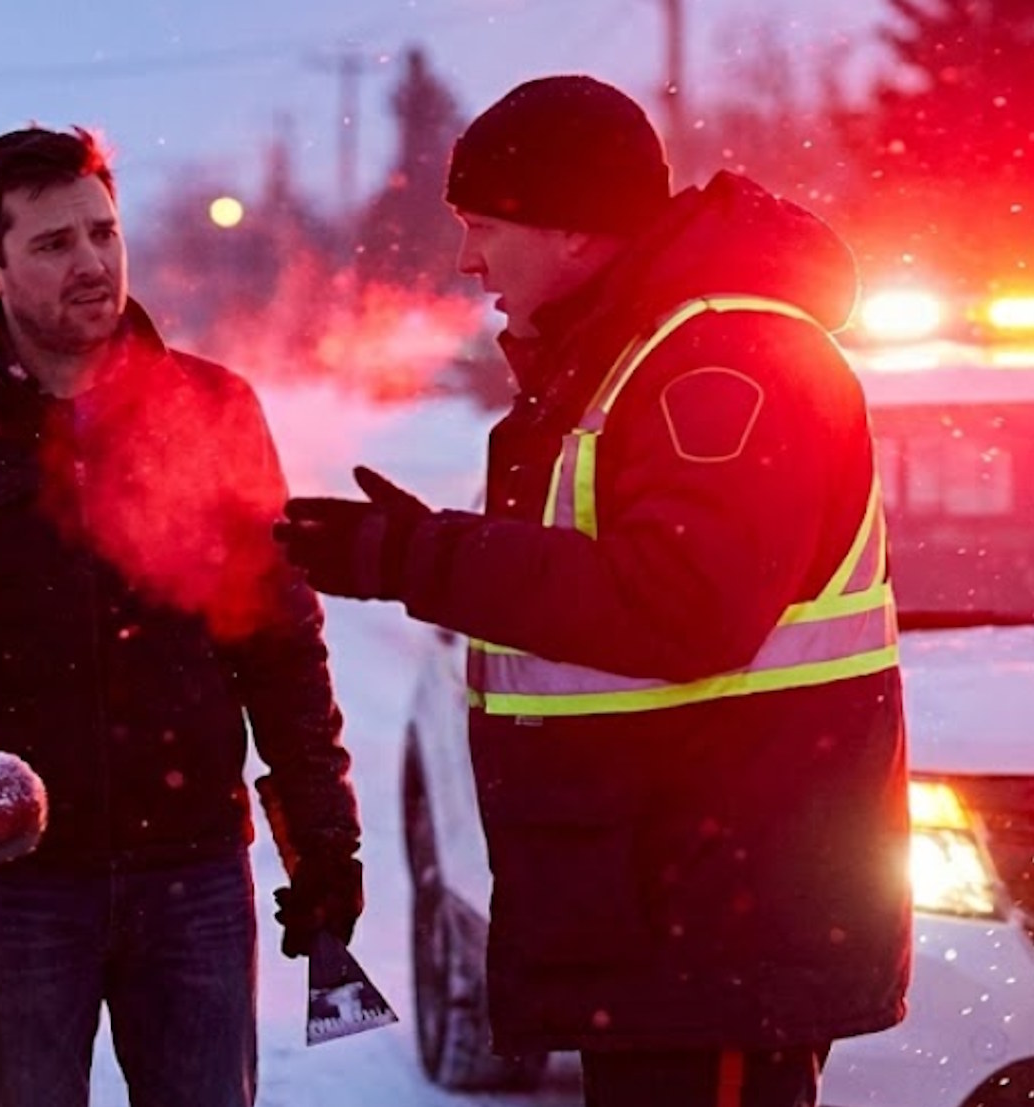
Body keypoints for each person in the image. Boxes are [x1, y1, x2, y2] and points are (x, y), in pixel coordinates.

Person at [275, 75, 910, 1107]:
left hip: (719, 926)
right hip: (669, 917)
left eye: (483, 225)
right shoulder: (637, 355)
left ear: (572, 228)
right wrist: (435, 548)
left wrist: (414, 561)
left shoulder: (725, 360)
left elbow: (682, 602)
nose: (466, 259)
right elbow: (597, 583)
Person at [0, 125, 362, 1107]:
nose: (91, 263)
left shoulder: (211, 410)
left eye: (102, 233)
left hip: (194, 876)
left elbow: (278, 638)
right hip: (13, 881)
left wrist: (324, 832)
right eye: (53, 245)